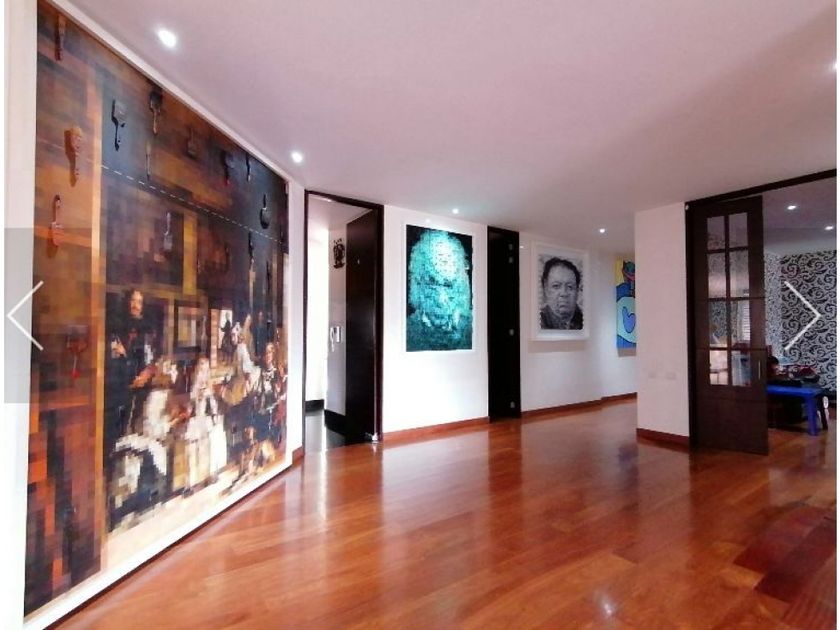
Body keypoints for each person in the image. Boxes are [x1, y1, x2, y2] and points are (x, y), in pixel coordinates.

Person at [540, 258, 583, 330]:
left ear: (577, 291)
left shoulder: (586, 320)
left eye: (570, 287)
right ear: (546, 289)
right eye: (556, 286)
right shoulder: (539, 320)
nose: (564, 293)